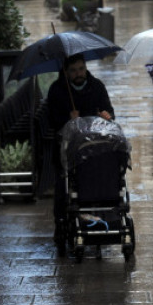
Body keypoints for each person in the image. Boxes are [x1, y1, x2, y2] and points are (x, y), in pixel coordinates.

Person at [47, 53, 114, 249]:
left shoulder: (97, 86)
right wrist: (68, 119)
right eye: (74, 71)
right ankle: (61, 224)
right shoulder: (57, 90)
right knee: (64, 185)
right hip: (66, 149)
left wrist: (106, 115)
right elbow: (52, 120)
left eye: (81, 69)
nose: (78, 74)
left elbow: (109, 112)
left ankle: (99, 218)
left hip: (93, 147)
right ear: (66, 73)